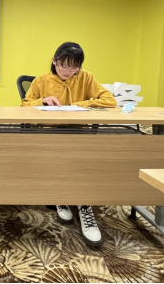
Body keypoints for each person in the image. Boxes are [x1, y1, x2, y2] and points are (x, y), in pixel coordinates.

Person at [21, 41, 116, 247]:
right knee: (58, 157)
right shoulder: (41, 80)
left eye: (74, 67)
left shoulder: (86, 77)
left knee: (86, 161)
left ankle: (84, 205)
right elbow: (24, 105)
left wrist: (78, 105)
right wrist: (42, 101)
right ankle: (60, 196)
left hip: (79, 132)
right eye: (64, 65)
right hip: (49, 132)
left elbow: (109, 100)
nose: (68, 71)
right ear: (54, 61)